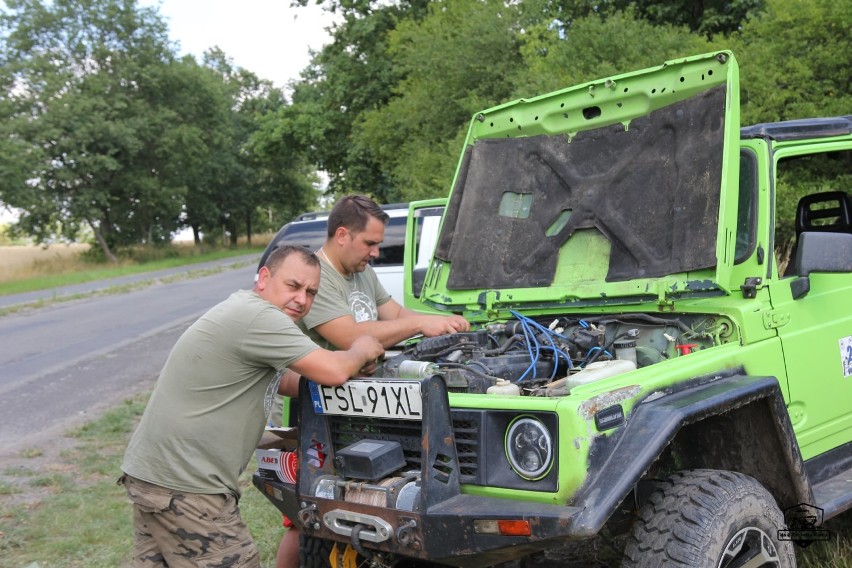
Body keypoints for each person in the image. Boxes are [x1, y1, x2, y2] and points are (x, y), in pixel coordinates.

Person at [120, 245, 384, 568]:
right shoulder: (261, 317)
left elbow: (288, 381)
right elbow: (332, 369)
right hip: (188, 486)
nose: (302, 299)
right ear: (263, 278)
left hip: (153, 476)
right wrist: (360, 349)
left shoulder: (244, 311)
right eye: (293, 286)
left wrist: (346, 367)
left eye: (311, 292)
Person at [276, 195, 470, 567]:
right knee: (305, 518)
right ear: (343, 235)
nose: (377, 252)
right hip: (320, 418)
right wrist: (417, 324)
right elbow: (350, 337)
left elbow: (394, 312)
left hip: (365, 415)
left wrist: (445, 323)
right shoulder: (318, 278)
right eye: (370, 243)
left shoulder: (362, 272)